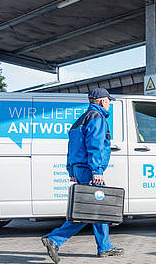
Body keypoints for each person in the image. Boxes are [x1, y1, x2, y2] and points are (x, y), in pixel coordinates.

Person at [41, 88, 124, 263]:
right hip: (89, 169)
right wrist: (97, 171)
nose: (110, 104)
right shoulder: (97, 118)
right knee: (88, 210)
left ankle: (105, 247)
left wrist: (72, 170)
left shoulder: (80, 120)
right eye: (109, 101)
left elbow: (72, 148)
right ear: (102, 101)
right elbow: (95, 146)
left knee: (97, 209)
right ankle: (54, 239)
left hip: (80, 168)